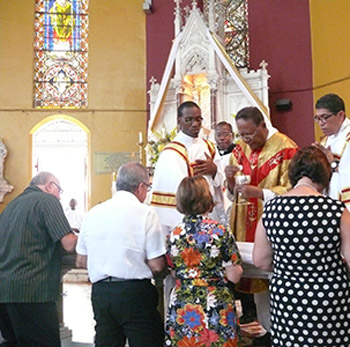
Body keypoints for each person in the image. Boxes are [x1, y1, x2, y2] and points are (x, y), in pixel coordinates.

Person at [253, 146, 350, 347]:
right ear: (325, 176)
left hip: (287, 294)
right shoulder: (337, 211)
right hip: (328, 296)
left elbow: (260, 260)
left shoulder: (271, 209)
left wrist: (290, 267)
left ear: (293, 174)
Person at [225, 106, 298, 346]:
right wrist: (228, 179)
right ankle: (267, 330)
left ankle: (280, 329)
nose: (245, 140)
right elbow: (231, 191)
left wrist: (261, 193)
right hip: (243, 222)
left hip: (272, 222)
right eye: (241, 135)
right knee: (256, 286)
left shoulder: (286, 148)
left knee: (273, 280)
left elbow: (295, 189)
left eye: (249, 134)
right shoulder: (239, 149)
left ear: (262, 127)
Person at [76, 162, 166, 347]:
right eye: (148, 187)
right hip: (134, 293)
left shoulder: (93, 213)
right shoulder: (146, 213)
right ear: (141, 187)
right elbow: (157, 265)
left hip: (101, 293)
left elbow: (81, 260)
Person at [0, 171, 77, 347]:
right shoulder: (47, 200)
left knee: (12, 343)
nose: (59, 197)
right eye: (59, 191)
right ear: (49, 186)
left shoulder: (11, 206)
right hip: (33, 292)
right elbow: (69, 243)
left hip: (4, 292)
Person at [164, 176, 243, 346]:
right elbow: (234, 275)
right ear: (206, 197)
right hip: (215, 303)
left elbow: (172, 270)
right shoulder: (219, 231)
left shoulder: (174, 234)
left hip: (182, 306)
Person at [151, 101, 223, 235]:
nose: (195, 124)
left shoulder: (209, 147)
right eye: (188, 120)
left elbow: (221, 182)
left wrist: (214, 171)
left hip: (210, 211)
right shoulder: (170, 153)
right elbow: (178, 189)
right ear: (179, 121)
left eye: (198, 119)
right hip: (186, 217)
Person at [312, 93, 350, 211]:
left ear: (340, 115)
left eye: (324, 117)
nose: (321, 123)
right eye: (317, 118)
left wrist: (333, 164)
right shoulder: (325, 142)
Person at [212, 121, 236, 224]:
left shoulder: (238, 153)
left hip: (232, 197)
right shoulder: (211, 153)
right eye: (218, 135)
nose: (222, 138)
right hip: (216, 196)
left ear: (233, 136)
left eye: (226, 134)